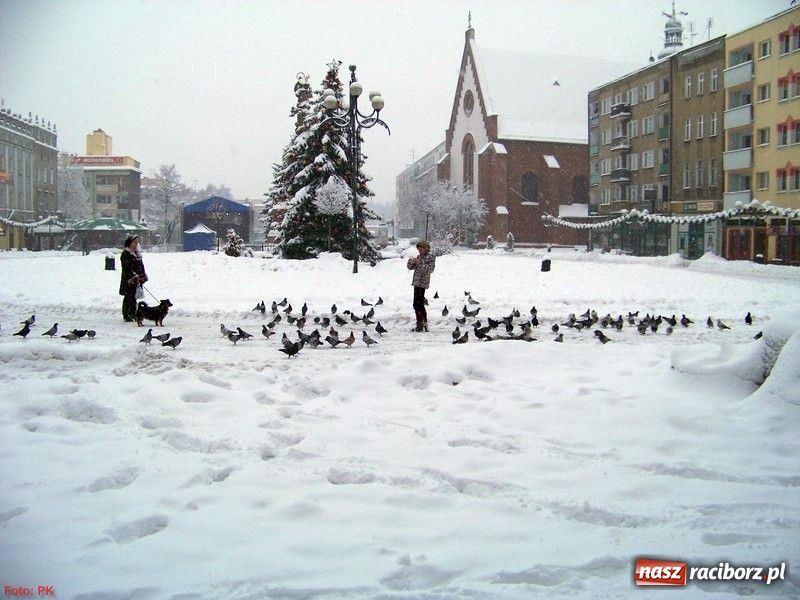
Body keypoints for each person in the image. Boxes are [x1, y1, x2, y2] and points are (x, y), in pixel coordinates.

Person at [407, 240, 435, 332]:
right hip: (416, 283)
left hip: (422, 283)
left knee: (418, 304)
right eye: (418, 249)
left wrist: (420, 262)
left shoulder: (430, 257)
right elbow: (410, 267)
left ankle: (421, 324)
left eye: (421, 249)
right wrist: (412, 262)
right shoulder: (420, 257)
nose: (419, 251)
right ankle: (422, 323)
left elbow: (430, 269)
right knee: (417, 304)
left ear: (426, 248)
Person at [119, 234, 148, 322]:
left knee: (134, 298)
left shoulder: (137, 254)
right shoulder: (126, 253)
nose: (136, 243)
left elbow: (141, 266)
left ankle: (133, 314)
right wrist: (134, 276)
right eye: (135, 242)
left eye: (137, 242)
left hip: (137, 279)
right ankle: (127, 315)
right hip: (128, 280)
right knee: (128, 297)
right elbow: (126, 268)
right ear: (130, 243)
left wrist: (142, 275)